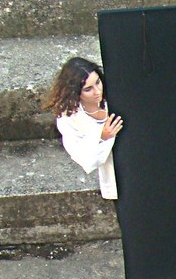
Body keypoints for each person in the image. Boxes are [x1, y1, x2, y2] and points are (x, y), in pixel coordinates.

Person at [41, 57, 123, 199]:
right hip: (117, 175)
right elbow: (83, 156)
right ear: (75, 91)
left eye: (98, 82)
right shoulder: (69, 118)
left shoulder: (115, 95)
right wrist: (102, 136)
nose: (97, 91)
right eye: (88, 89)